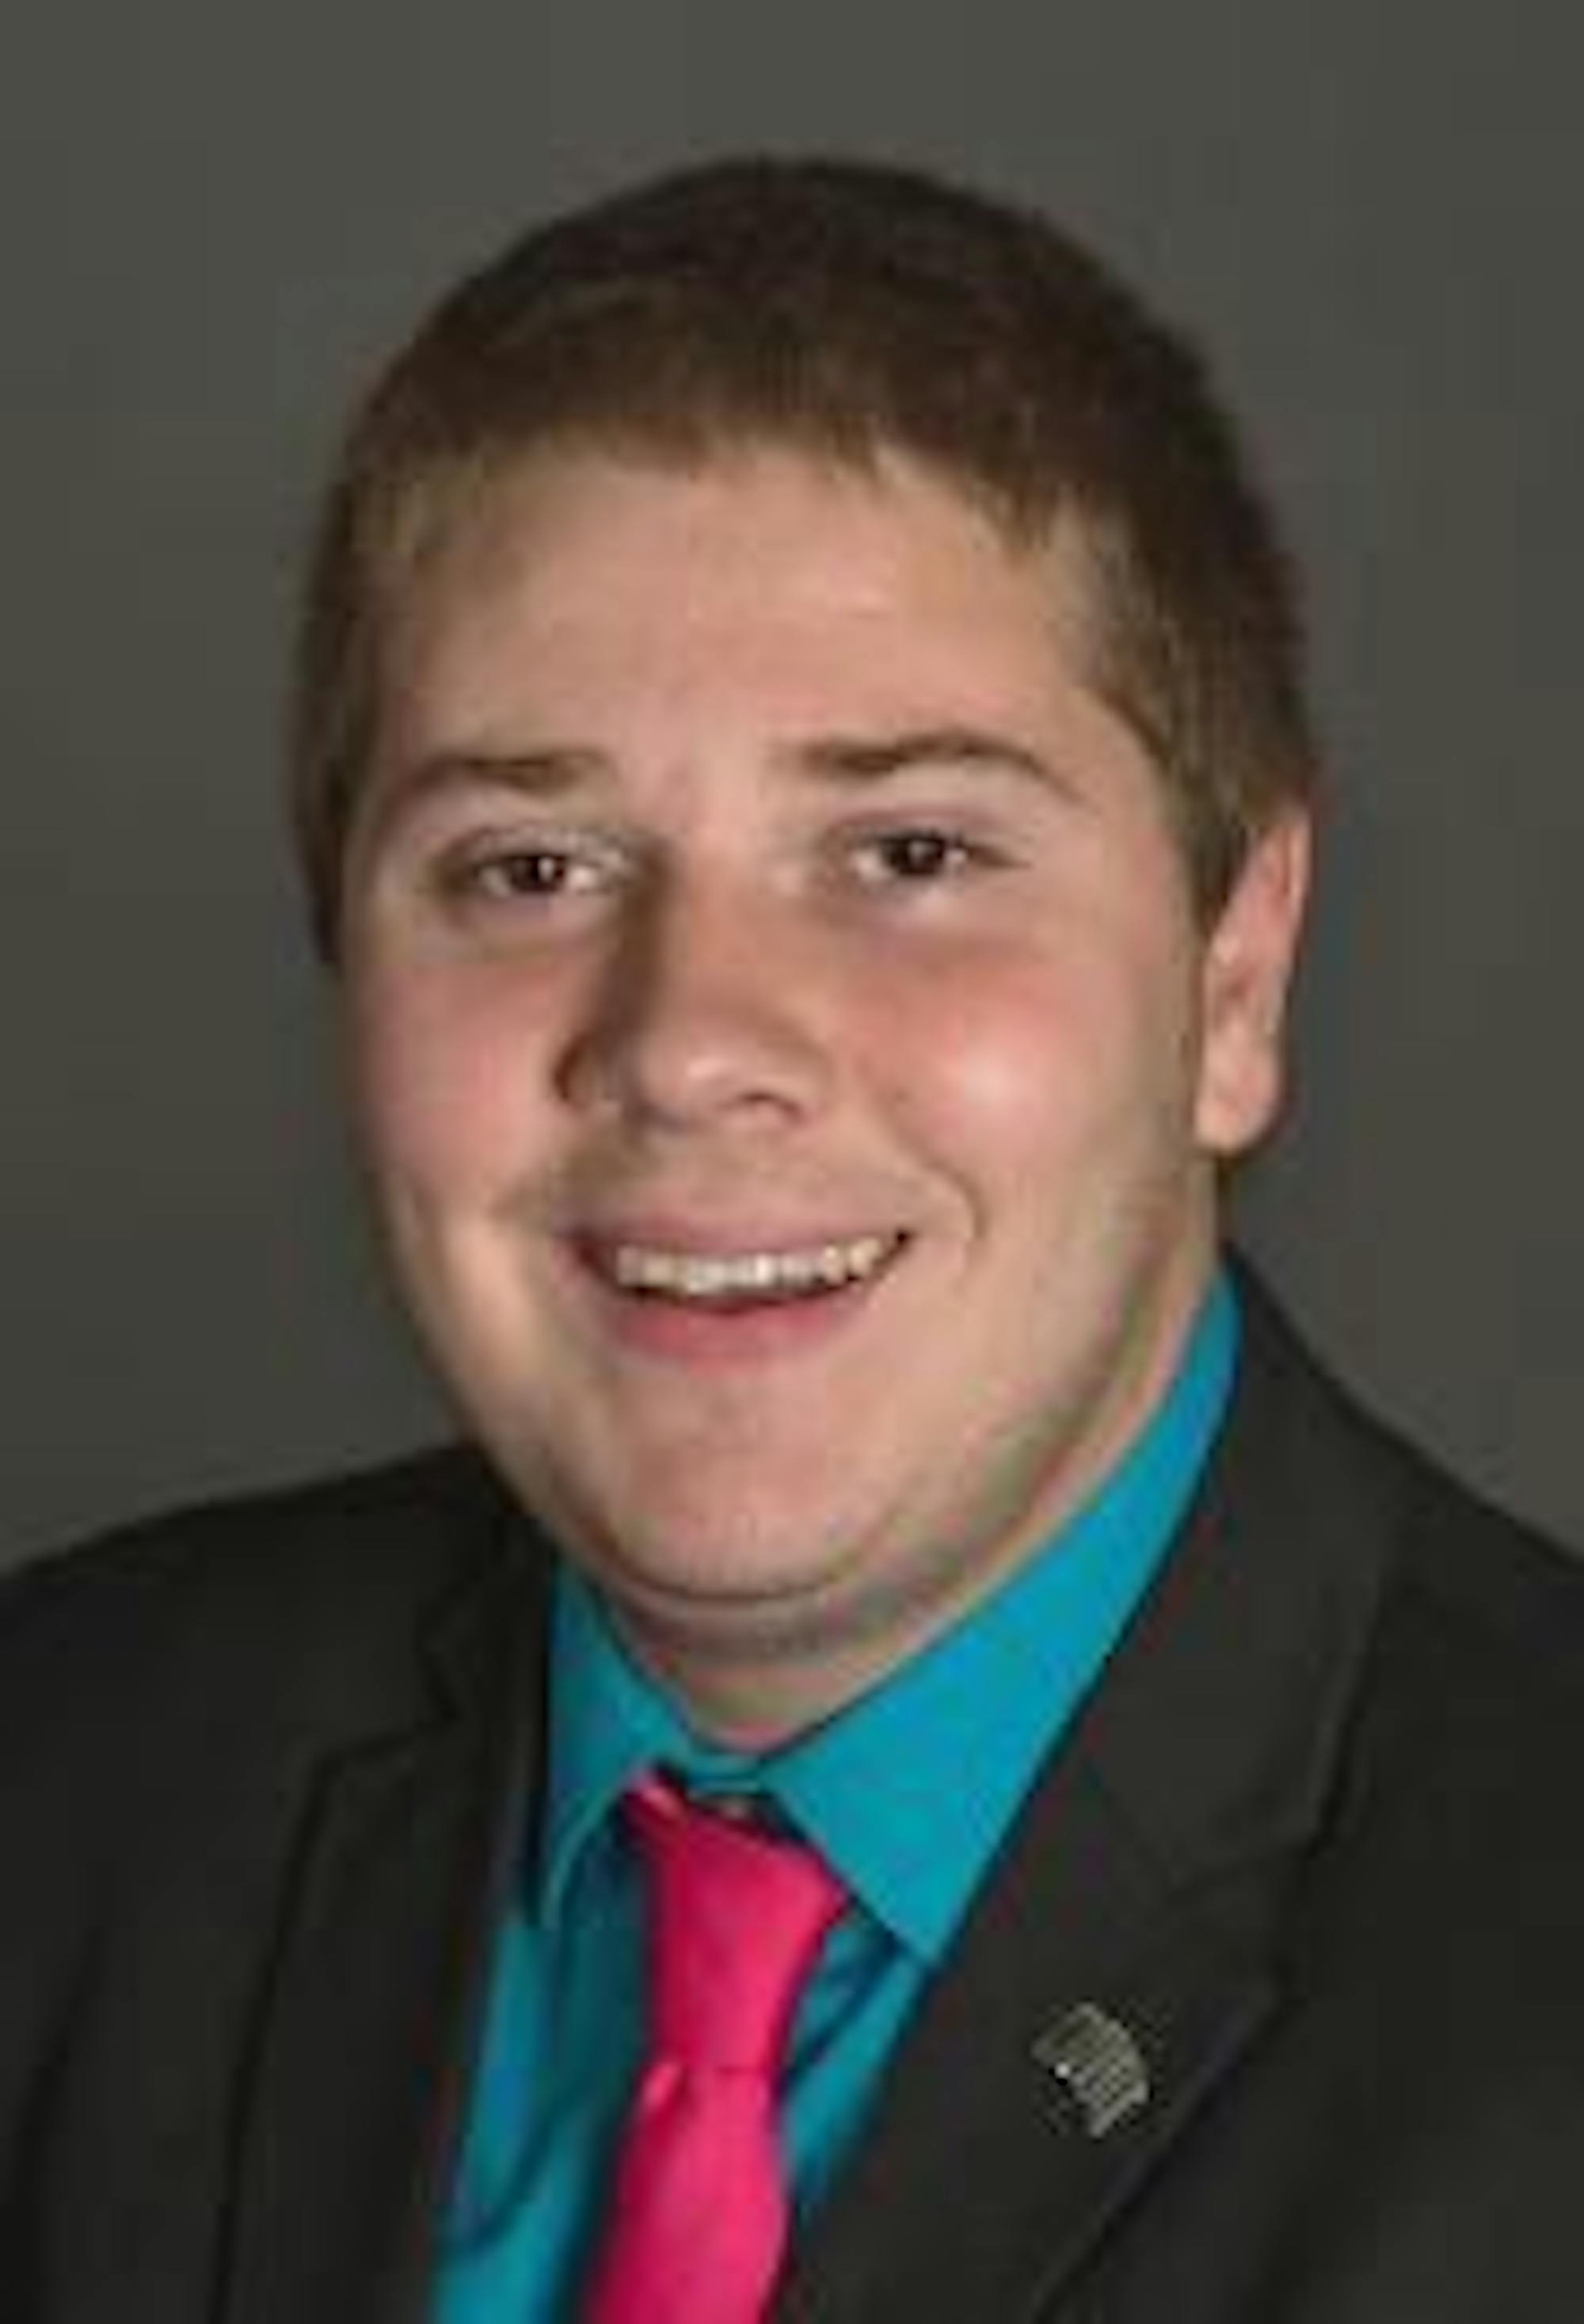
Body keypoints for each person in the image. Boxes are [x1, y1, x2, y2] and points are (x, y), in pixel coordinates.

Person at [2, 154, 1582, 2324]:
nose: (688, 1045)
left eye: (910, 851)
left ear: (1235, 977)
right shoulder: (64, 1780)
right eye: (530, 868)